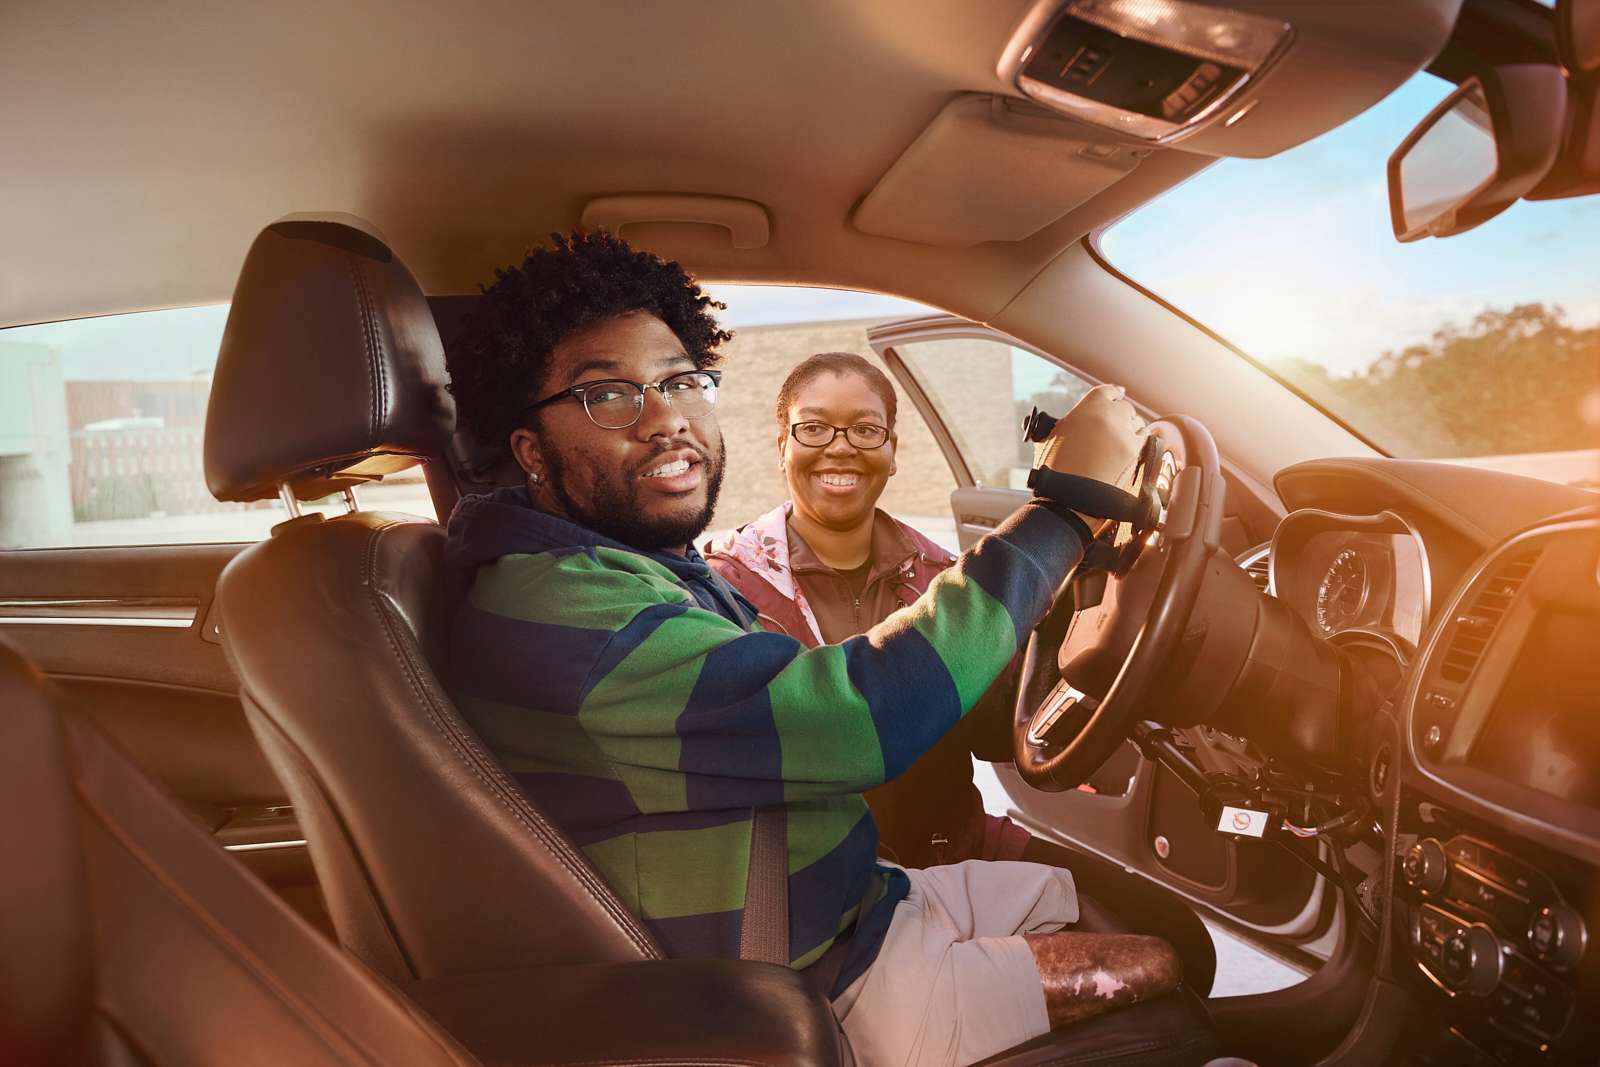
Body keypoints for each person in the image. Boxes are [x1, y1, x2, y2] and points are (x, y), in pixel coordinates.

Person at [443, 231, 1180, 1067]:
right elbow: (855, 716)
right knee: (1165, 967)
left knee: (1157, 923)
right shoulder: (569, 608)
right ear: (530, 449)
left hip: (861, 905)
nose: (666, 418)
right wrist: (1067, 513)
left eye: (682, 380)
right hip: (814, 986)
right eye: (608, 395)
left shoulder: (635, 568)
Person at [704, 352, 1216, 994]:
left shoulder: (949, 577)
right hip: (829, 886)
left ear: (894, 451)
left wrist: (1086, 628)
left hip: (958, 843)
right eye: (814, 428)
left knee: (1174, 936)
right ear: (782, 445)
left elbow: (1001, 729)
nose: (841, 449)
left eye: (865, 430)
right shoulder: (728, 592)